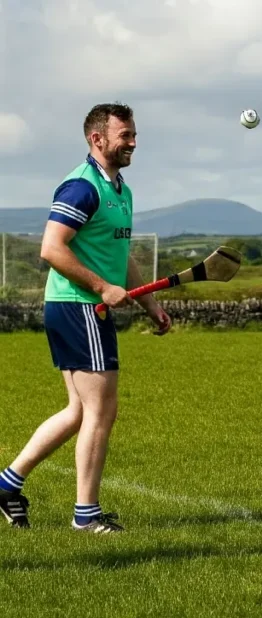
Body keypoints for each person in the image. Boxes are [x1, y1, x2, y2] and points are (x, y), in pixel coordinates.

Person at [0, 103, 172, 532]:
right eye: (125, 135)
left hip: (82, 307)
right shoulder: (82, 187)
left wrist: (147, 302)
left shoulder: (121, 189)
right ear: (97, 138)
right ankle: (86, 515)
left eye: (133, 134)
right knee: (101, 409)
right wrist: (100, 287)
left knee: (79, 410)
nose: (133, 142)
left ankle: (6, 486)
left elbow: (120, 254)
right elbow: (51, 248)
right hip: (78, 307)